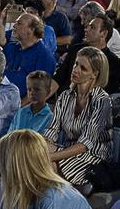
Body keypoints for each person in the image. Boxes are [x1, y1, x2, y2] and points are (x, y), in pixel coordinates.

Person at [45, 46, 115, 190]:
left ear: (94, 74)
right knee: (32, 149)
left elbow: (85, 145)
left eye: (83, 68)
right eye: (76, 64)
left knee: (47, 163)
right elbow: (52, 131)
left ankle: (62, 202)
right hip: (69, 149)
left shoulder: (102, 101)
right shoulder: (65, 96)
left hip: (94, 157)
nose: (76, 70)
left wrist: (49, 157)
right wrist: (40, 147)